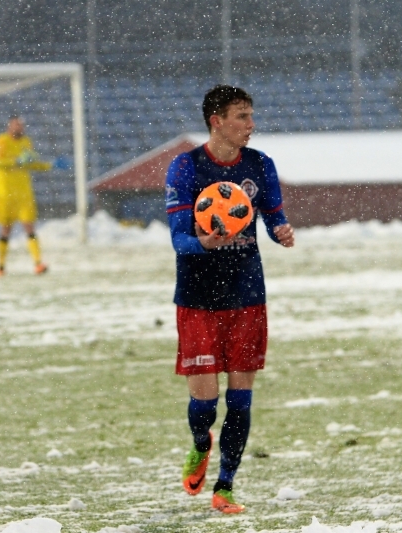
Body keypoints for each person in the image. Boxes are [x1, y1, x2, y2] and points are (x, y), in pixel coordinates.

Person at [164, 85, 296, 513]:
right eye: (241, 116)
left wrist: (281, 232)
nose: (250, 125)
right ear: (216, 121)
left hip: (246, 294)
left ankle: (225, 487)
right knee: (204, 404)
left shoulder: (260, 165)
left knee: (240, 397)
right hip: (198, 298)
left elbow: (274, 215)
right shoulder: (186, 167)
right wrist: (206, 241)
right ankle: (202, 444)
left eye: (251, 116)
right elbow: (179, 240)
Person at [0, 115, 70, 277]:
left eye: (21, 125)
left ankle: (38, 263)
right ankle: (0, 266)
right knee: (6, 229)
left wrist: (51, 164)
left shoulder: (26, 142)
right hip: (5, 194)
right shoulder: (1, 141)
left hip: (24, 194)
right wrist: (15, 161)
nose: (19, 128)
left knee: (29, 227)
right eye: (15, 125)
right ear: (9, 126)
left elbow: (31, 163)